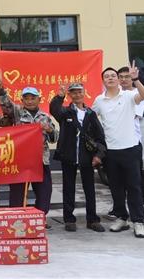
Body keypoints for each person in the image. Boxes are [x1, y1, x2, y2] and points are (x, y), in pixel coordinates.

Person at [92, 64, 144, 237]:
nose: (110, 78)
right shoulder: (99, 100)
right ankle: (122, 218)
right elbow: (90, 119)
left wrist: (135, 79)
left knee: (134, 186)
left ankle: (138, 221)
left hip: (130, 148)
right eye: (106, 76)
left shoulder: (129, 95)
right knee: (116, 187)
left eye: (113, 75)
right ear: (103, 81)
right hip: (110, 151)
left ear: (118, 79)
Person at [0, 72, 57, 216]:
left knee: (44, 192)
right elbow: (6, 104)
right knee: (17, 194)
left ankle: (39, 218)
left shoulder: (45, 117)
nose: (29, 101)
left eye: (32, 98)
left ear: (39, 99)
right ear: (22, 100)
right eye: (26, 98)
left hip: (40, 161)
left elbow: (54, 138)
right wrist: (0, 88)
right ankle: (16, 219)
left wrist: (49, 130)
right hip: (21, 161)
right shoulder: (17, 112)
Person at [50, 83, 106, 233]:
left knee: (90, 189)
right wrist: (59, 96)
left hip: (87, 157)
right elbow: (54, 109)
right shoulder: (65, 112)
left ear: (84, 93)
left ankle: (92, 220)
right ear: (69, 95)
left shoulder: (91, 114)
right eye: (73, 92)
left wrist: (99, 155)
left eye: (79, 92)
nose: (77, 95)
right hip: (68, 156)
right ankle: (69, 220)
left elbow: (100, 138)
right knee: (68, 189)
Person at [118, 66, 144, 209]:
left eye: (127, 77)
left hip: (133, 142)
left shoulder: (137, 93)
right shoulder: (115, 94)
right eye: (121, 77)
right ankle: (119, 207)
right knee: (119, 178)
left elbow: (133, 114)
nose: (123, 80)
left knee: (135, 177)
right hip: (116, 143)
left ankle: (140, 205)